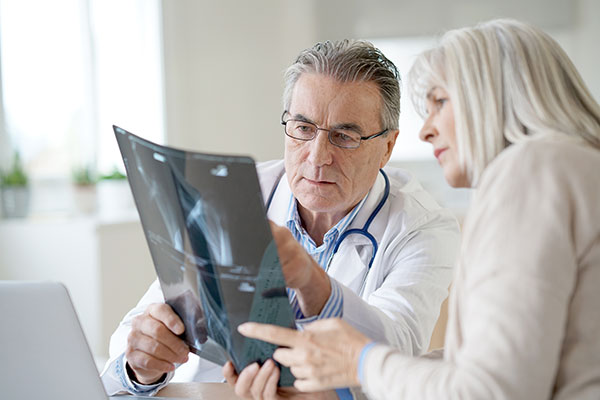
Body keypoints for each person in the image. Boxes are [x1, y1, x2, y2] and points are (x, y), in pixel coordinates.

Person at [236, 19, 600, 399]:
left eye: (440, 101)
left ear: (490, 98)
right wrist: (345, 378)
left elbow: (492, 390)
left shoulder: (531, 169)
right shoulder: (571, 167)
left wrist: (357, 362)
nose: (426, 130)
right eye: (303, 128)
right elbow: (493, 365)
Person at [101, 39, 460, 398]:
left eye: (344, 136)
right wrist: (141, 366)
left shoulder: (423, 228)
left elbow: (392, 354)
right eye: (303, 129)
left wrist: (313, 284)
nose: (317, 157)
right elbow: (134, 340)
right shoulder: (237, 193)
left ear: (387, 147)